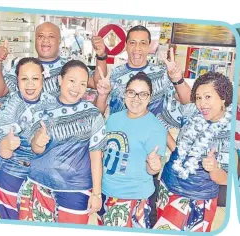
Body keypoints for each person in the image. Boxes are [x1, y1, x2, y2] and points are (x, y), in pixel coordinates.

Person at [95, 25, 193, 226]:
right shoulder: (115, 74)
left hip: (149, 153)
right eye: (132, 42)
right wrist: (102, 93)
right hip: (116, 154)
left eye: (143, 43)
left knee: (145, 209)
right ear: (125, 46)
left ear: (150, 46)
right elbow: (98, 113)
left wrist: (177, 78)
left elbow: (187, 101)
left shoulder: (161, 73)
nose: (137, 48)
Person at [18, 60, 106, 224]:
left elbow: (96, 157)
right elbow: (35, 149)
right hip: (39, 184)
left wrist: (97, 194)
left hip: (76, 190)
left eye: (82, 83)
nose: (76, 88)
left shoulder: (93, 114)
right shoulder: (41, 108)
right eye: (72, 81)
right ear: (60, 80)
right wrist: (38, 140)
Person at [153, 72, 232, 232]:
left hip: (198, 199)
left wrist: (214, 168)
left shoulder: (229, 131)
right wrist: (175, 148)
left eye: (208, 97)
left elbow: (225, 179)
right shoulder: (190, 111)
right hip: (168, 186)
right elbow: (159, 123)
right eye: (198, 97)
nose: (202, 103)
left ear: (223, 97)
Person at [0, 57, 56, 220]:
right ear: (17, 81)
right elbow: (2, 148)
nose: (30, 84)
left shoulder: (52, 104)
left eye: (35, 78)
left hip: (40, 179)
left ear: (43, 79)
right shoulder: (11, 105)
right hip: (9, 176)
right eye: (24, 79)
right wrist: (7, 145)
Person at [97, 72, 167, 228]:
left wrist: (154, 165)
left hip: (133, 197)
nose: (136, 98)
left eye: (143, 94)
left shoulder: (155, 128)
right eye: (132, 92)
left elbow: (152, 168)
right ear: (125, 93)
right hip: (105, 192)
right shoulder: (114, 118)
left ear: (150, 97)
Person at [0, 22, 108, 100]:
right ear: (35, 41)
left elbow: (97, 83)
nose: (45, 40)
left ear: (59, 42)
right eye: (40, 36)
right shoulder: (23, 66)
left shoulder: (71, 66)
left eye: (51, 36)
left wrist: (101, 56)